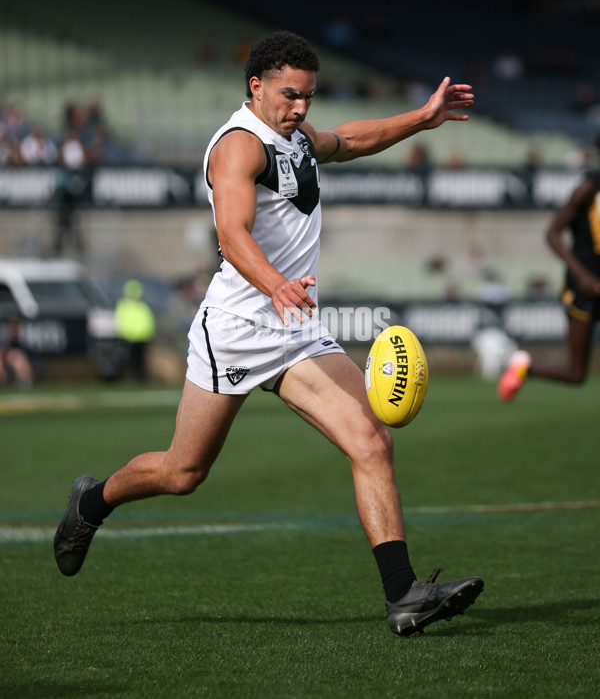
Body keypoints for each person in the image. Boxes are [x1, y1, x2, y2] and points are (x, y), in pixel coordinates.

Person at [54, 31, 484, 637]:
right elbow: (232, 234)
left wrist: (421, 118)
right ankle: (91, 504)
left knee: (371, 442)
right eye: (290, 95)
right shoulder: (238, 146)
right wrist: (276, 282)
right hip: (236, 328)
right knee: (183, 473)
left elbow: (349, 140)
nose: (302, 108)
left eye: (308, 96)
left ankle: (403, 595)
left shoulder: (295, 134)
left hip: (295, 328)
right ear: (256, 87)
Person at [498, 135, 600, 401]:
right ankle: (524, 369)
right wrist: (583, 276)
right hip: (584, 286)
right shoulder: (589, 187)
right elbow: (552, 234)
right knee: (577, 375)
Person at [114, 279, 156, 382]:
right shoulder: (123, 305)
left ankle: (140, 379)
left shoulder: (142, 306)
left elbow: (148, 322)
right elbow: (119, 321)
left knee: (140, 361)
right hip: (127, 337)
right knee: (126, 361)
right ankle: (126, 379)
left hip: (142, 338)